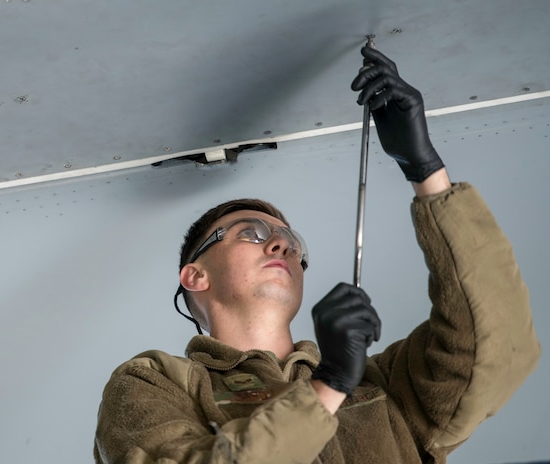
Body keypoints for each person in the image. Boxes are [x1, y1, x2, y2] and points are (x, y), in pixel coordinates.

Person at [93, 47, 540, 463]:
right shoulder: (154, 382)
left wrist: (425, 170)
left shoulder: (383, 386)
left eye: (291, 242)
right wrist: (329, 386)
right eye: (252, 233)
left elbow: (499, 345)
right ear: (194, 276)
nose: (282, 244)